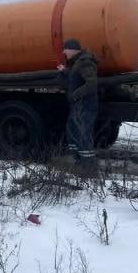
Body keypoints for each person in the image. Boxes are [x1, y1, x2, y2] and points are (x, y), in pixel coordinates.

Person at [57, 38, 99, 174]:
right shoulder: (77, 63)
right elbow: (77, 77)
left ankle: (88, 168)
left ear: (72, 49)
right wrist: (66, 71)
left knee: (83, 136)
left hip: (85, 106)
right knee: (73, 133)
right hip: (78, 106)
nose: (64, 52)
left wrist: (75, 95)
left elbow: (91, 83)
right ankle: (79, 162)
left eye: (65, 49)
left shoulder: (85, 62)